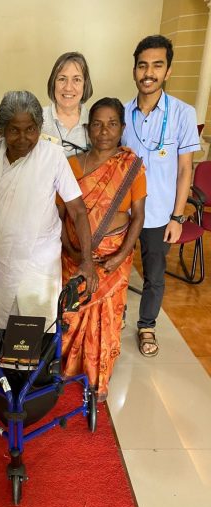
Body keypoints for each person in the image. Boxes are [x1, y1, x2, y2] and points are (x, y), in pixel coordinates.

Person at [0, 91, 98, 331]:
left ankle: (35, 370)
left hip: (38, 263)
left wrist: (87, 260)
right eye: (14, 130)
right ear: (0, 130)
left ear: (39, 127)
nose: (23, 138)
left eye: (30, 129)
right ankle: (1, 370)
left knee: (36, 335)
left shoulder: (53, 156)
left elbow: (78, 210)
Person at [60, 97, 146, 401]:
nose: (104, 130)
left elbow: (138, 216)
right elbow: (59, 216)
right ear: (87, 128)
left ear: (122, 128)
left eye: (112, 124)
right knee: (73, 315)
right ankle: (69, 367)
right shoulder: (70, 165)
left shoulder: (131, 166)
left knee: (106, 318)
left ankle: (98, 378)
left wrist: (121, 256)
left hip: (114, 258)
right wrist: (70, 250)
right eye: (97, 123)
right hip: (74, 257)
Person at [122, 35, 200, 357]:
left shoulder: (183, 113)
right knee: (117, 270)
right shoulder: (122, 113)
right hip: (125, 214)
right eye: (143, 65)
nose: (148, 72)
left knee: (154, 275)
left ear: (167, 71)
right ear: (135, 70)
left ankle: (147, 326)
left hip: (159, 214)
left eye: (157, 65)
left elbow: (185, 170)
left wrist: (177, 217)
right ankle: (115, 318)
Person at [41, 52, 93, 157]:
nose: (68, 88)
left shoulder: (95, 122)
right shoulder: (37, 119)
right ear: (53, 83)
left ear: (85, 85)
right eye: (62, 79)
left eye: (76, 80)